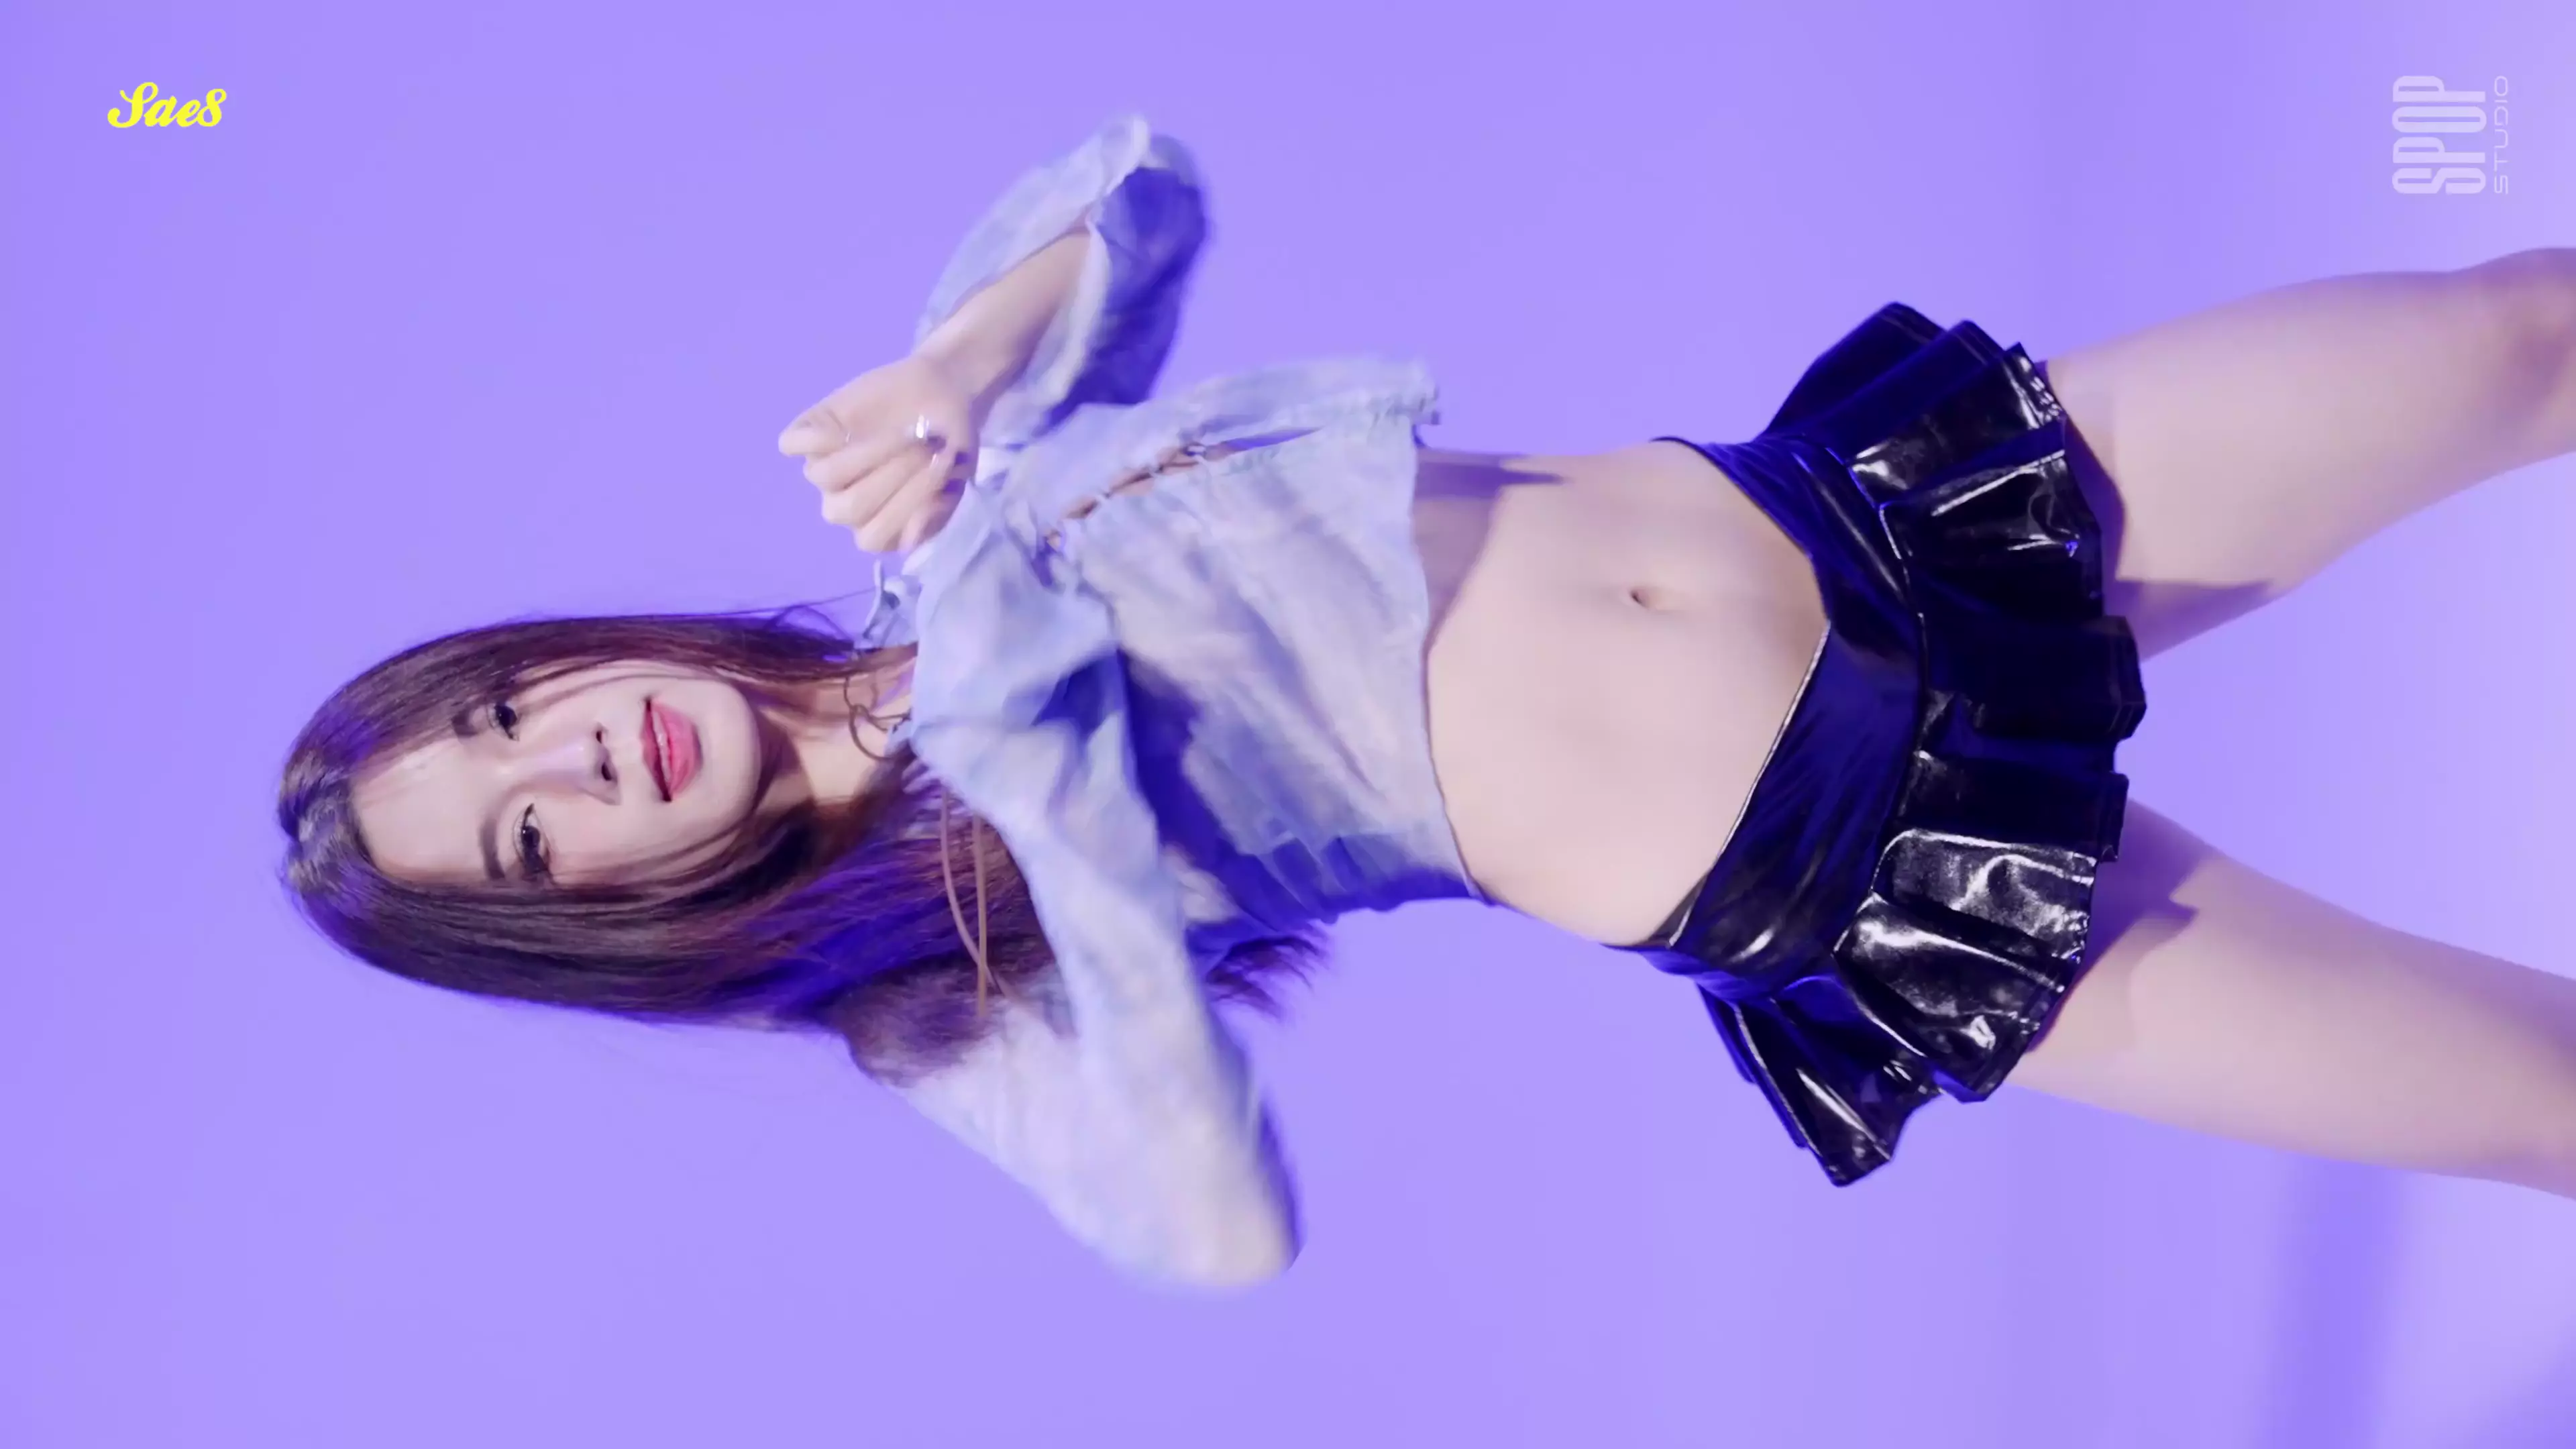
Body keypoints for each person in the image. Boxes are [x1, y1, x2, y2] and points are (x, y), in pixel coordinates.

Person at [279, 115, 2576, 1288]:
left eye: (503, 714)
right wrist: (1071, 830)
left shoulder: (943, 512)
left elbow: (1145, 197)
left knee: (2524, 330)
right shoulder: (936, 984)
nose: (570, 757)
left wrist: (960, 362)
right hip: (1858, 865)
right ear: (583, 917)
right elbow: (1211, 1223)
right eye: (525, 836)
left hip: (1882, 515)